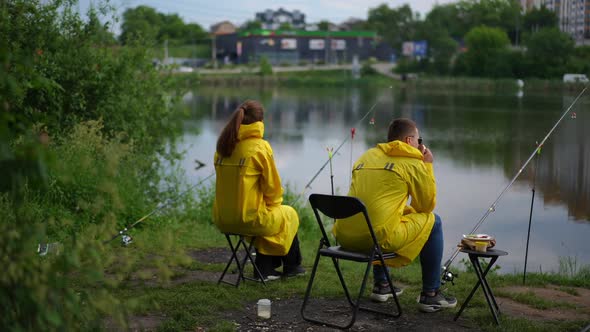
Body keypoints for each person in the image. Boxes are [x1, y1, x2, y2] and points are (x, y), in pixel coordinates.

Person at [333, 118, 456, 313]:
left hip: (345, 235)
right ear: (409, 141)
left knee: (384, 217)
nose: (420, 144)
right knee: (434, 222)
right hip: (375, 238)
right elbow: (426, 206)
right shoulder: (412, 163)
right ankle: (431, 295)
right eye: (418, 140)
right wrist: (428, 166)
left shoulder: (367, 156)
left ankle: (382, 285)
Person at [213, 100, 305, 281]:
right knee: (288, 214)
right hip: (248, 220)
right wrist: (274, 204)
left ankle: (265, 269)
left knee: (266, 216)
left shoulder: (223, 147)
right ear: (260, 122)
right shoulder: (260, 147)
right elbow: (273, 190)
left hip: (222, 219)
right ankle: (291, 267)